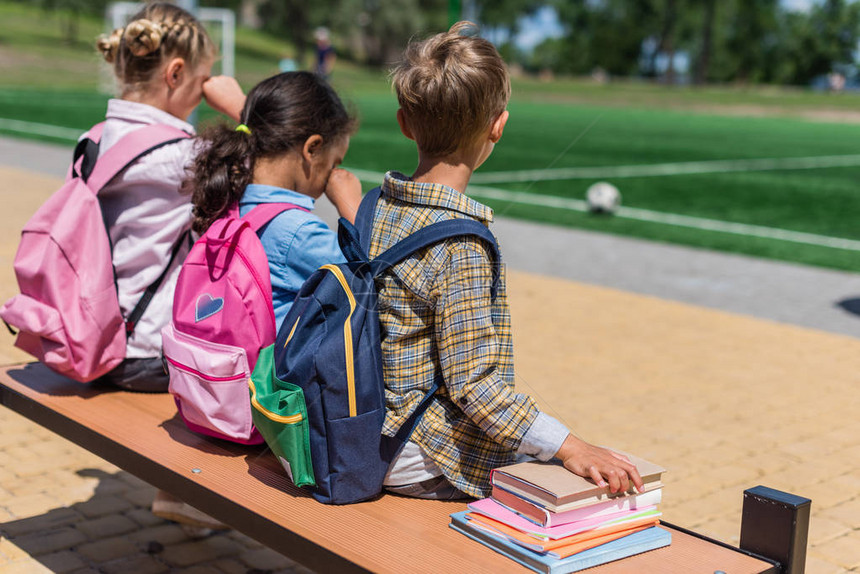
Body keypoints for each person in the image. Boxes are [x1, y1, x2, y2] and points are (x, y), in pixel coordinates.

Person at [369, 22, 645, 500]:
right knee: (568, 490)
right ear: (499, 125)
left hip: (367, 423)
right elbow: (475, 386)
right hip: (418, 457)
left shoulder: (375, 206)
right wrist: (571, 446)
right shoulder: (462, 245)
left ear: (405, 123)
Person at [95, 2, 246, 393]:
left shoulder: (92, 141)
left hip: (96, 338)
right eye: (203, 82)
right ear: (176, 73)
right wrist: (241, 108)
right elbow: (273, 159)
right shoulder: (183, 157)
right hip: (148, 352)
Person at [187, 71, 361, 330]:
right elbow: (368, 287)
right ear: (312, 148)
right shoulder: (298, 233)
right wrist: (353, 207)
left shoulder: (225, 200)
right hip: (269, 371)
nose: (332, 174)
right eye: (334, 162)